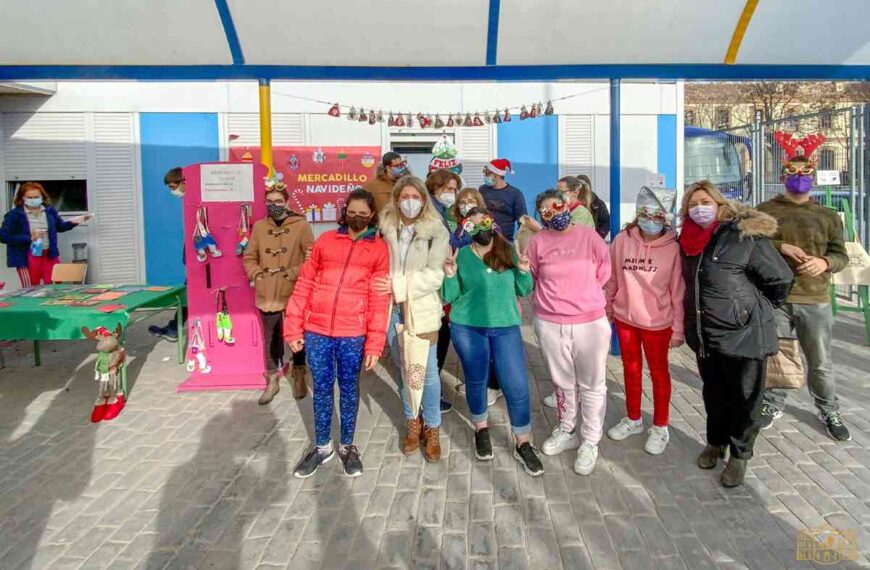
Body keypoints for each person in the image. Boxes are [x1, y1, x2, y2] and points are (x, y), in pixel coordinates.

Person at [680, 181, 793, 487]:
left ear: (719, 204)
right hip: (706, 333)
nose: (698, 208)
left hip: (745, 334)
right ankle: (716, 443)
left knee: (745, 398)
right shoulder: (688, 240)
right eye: (692, 204)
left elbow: (780, 278)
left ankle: (740, 455)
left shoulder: (743, 234)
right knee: (714, 394)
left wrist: (755, 307)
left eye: (704, 201)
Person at [285, 188, 391, 478]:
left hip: (352, 332)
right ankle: (322, 446)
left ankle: (346, 445)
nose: (356, 217)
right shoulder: (326, 241)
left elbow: (379, 300)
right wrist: (292, 326)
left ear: (372, 215)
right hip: (317, 330)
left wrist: (374, 344)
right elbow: (304, 285)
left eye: (363, 213)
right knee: (320, 388)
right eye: (351, 212)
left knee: (348, 389)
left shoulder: (379, 249)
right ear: (344, 212)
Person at [441, 207, 544, 477]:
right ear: (467, 230)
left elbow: (524, 290)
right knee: (476, 380)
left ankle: (523, 442)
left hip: (505, 327)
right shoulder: (461, 255)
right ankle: (481, 428)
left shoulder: (508, 250)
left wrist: (523, 271)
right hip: (467, 327)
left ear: (492, 223)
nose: (481, 229)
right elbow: (450, 296)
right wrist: (450, 275)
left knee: (516, 384)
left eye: (484, 223)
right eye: (474, 226)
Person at [757, 155, 851, 441]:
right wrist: (780, 245)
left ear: (814, 176)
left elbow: (840, 255)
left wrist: (825, 263)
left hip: (815, 297)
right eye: (793, 171)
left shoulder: (828, 216)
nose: (799, 176)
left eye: (805, 171)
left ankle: (828, 408)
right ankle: (772, 404)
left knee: (820, 360)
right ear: (784, 175)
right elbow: (750, 243)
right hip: (776, 298)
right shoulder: (765, 211)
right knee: (777, 356)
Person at [526, 190, 611, 476]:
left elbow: (604, 270)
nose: (552, 213)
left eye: (556, 206)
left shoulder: (589, 236)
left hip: (589, 322)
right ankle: (567, 428)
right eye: (544, 210)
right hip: (550, 321)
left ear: (567, 205)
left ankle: (590, 440)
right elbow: (534, 277)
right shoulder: (537, 242)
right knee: (563, 383)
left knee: (592, 384)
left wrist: (582, 295)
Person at [605, 187, 684, 455]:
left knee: (659, 373)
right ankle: (633, 418)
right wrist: (608, 308)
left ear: (666, 217)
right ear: (638, 213)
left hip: (658, 323)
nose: (651, 219)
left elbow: (677, 291)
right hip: (626, 319)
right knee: (631, 369)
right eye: (645, 213)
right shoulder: (621, 240)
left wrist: (678, 328)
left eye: (657, 215)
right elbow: (613, 278)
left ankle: (661, 426)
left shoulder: (673, 248)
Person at [377, 175, 450, 461]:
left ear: (424, 199)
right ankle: (412, 421)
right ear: (396, 199)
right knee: (405, 370)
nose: (410, 202)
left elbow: (435, 275)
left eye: (416, 197)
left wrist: (399, 286)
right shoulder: (385, 228)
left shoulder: (436, 231)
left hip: (422, 310)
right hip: (392, 309)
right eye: (405, 196)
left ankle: (432, 427)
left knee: (427, 373)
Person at [243, 178, 314, 406]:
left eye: (279, 201)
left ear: (287, 202)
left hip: (294, 289)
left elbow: (311, 258)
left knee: (298, 336)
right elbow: (249, 257)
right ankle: (272, 379)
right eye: (270, 201)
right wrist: (257, 275)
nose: (274, 204)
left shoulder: (301, 225)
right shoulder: (260, 227)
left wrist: (293, 273)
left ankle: (299, 373)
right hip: (268, 291)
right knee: (271, 337)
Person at [426, 170, 466, 412]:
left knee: (438, 341)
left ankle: (432, 391)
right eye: (449, 189)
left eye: (455, 189)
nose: (452, 194)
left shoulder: (439, 210)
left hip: (438, 282)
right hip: (432, 286)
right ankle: (430, 397)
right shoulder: (430, 212)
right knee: (436, 342)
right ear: (436, 187)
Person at [0, 182, 89, 286]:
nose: (33, 199)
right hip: (28, 255)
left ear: (42, 196)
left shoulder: (49, 211)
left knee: (56, 285)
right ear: (23, 198)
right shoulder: (14, 214)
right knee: (30, 288)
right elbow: (3, 236)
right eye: (30, 197)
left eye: (36, 197)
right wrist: (30, 237)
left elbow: (60, 227)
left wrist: (75, 221)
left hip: (49, 254)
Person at [149, 167, 188, 342]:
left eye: (173, 187)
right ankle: (174, 327)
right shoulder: (189, 201)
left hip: (203, 258)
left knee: (188, 295)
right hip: (194, 255)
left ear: (184, 182)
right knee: (188, 296)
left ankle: (173, 328)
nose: (173, 191)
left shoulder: (197, 200)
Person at [479, 159, 526, 242]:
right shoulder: (482, 190)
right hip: (484, 239)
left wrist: (521, 241)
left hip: (505, 241)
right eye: (484, 172)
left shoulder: (515, 193)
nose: (485, 176)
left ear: (497, 175)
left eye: (487, 173)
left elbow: (522, 220)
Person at [577, 174, 611, 240]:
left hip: (593, 240)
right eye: (580, 189)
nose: (582, 191)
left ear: (589, 188)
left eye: (584, 188)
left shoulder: (598, 203)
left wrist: (598, 236)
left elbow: (606, 222)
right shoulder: (571, 203)